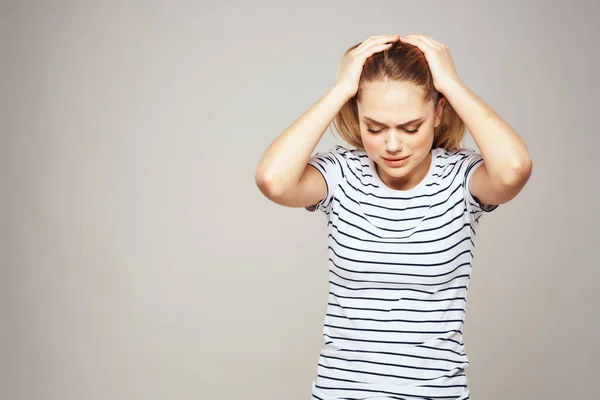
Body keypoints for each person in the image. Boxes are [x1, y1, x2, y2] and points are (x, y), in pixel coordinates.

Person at [255, 34, 532, 400]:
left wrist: (450, 83)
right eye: (375, 127)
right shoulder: (342, 175)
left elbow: (514, 170)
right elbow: (273, 180)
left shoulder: (461, 178)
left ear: (438, 113)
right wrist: (341, 90)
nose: (392, 145)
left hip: (437, 393)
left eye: (410, 127)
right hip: (342, 392)